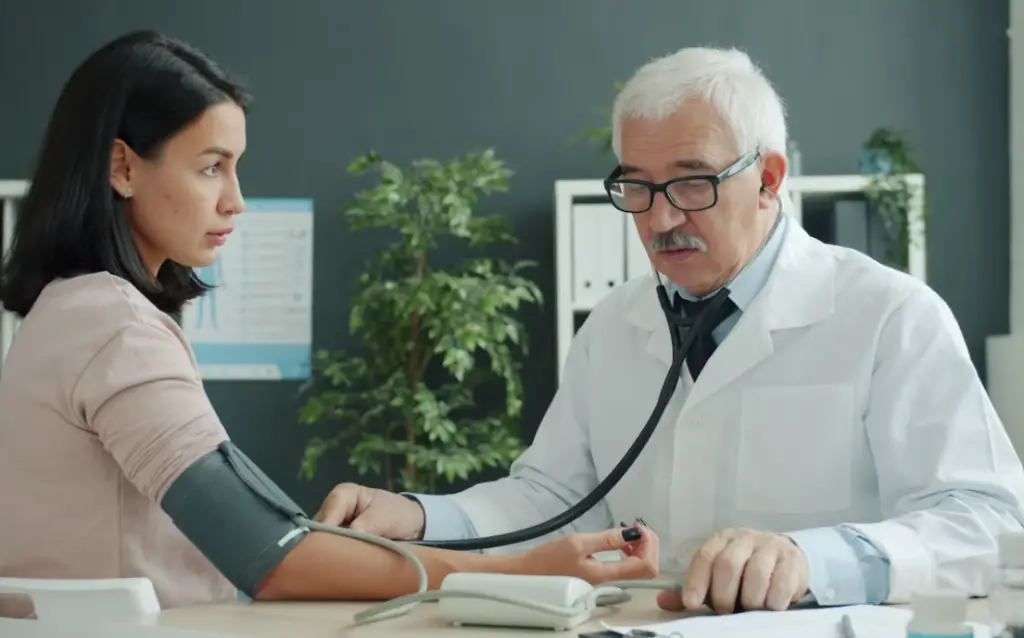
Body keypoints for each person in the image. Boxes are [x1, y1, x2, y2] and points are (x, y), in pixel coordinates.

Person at [315, 46, 1024, 616]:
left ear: (770, 180)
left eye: (692, 183)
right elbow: (552, 499)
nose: (659, 220)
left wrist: (817, 559)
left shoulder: (890, 315)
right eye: (637, 187)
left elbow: (986, 520)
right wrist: (417, 516)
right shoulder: (615, 325)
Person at [0, 30, 660, 618]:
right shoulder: (115, 327)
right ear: (122, 167)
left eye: (235, 166)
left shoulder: (71, 311)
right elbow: (269, 555)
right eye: (210, 167)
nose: (235, 199)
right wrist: (517, 574)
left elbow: (263, 526)